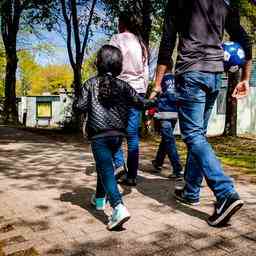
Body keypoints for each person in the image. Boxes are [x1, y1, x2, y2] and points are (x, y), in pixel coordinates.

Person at [150, 0, 252, 227]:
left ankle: (225, 193)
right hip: (215, 76)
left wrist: (157, 84)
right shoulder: (222, 5)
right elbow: (246, 40)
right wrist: (245, 77)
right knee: (199, 136)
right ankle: (191, 191)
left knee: (193, 136)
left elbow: (167, 44)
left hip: (192, 74)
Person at [74, 45, 148, 230]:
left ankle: (118, 207)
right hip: (117, 135)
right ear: (118, 65)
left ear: (99, 62)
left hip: (99, 136)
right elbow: (141, 103)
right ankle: (99, 200)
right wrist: (157, 99)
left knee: (106, 169)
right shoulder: (124, 85)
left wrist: (80, 99)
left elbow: (79, 107)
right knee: (103, 167)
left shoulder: (90, 84)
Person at [109, 12, 149, 186]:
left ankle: (119, 165)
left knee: (114, 128)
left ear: (122, 23)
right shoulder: (142, 44)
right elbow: (146, 72)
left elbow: (110, 63)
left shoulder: (117, 39)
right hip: (138, 91)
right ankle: (132, 176)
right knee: (132, 135)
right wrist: (143, 93)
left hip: (120, 89)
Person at [150, 60, 183, 182]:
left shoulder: (161, 79)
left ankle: (177, 169)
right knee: (166, 139)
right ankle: (158, 162)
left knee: (168, 140)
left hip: (164, 113)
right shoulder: (177, 79)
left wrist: (148, 104)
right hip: (175, 113)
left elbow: (155, 94)